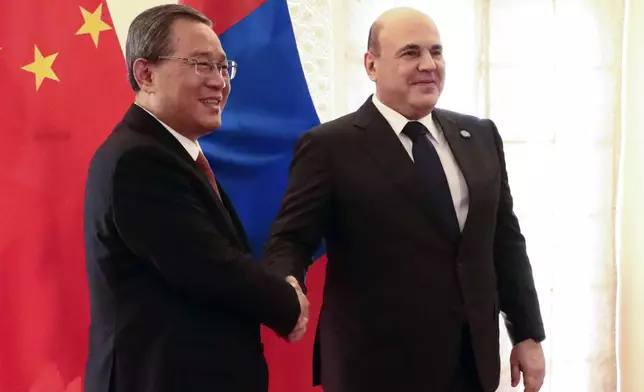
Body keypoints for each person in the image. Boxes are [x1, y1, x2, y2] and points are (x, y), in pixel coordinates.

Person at [262, 6, 546, 392]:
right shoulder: (330, 147)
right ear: (372, 65)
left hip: (470, 361)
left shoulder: (480, 135)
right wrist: (287, 284)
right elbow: (291, 239)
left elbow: (504, 241)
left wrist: (527, 334)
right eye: (411, 53)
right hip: (374, 367)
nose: (429, 64)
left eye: (437, 51)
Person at [82, 4, 307, 392]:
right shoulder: (139, 160)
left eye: (223, 68)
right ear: (146, 73)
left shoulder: (170, 154)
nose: (220, 82)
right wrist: (285, 303)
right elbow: (209, 267)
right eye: (202, 65)